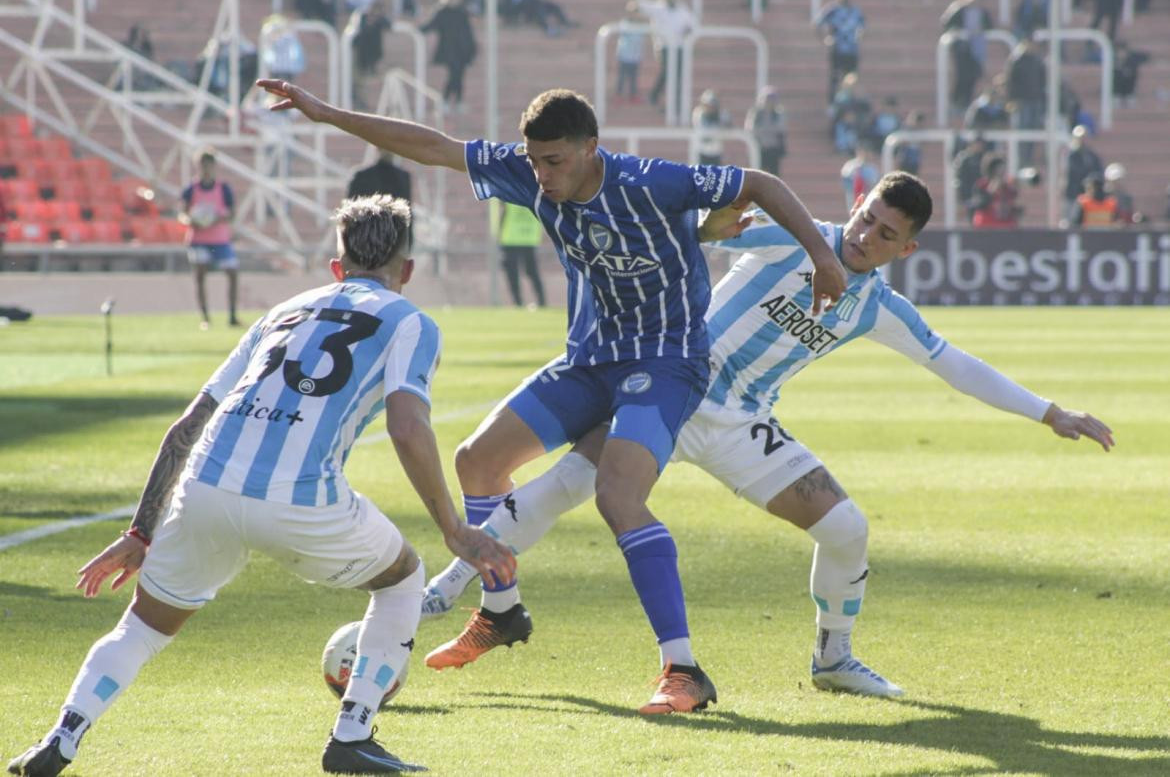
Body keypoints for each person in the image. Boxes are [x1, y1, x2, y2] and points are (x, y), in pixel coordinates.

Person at [253, 77, 847, 715]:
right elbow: (432, 147)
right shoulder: (526, 173)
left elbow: (759, 182)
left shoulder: (653, 180)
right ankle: (502, 613)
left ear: (591, 147)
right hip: (589, 360)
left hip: (666, 360)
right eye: (533, 159)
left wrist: (821, 254)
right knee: (477, 460)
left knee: (617, 497)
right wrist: (324, 113)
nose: (540, 175)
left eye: (554, 161)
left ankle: (684, 670)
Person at [417, 172, 1114, 699]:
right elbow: (690, 234)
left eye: (882, 233)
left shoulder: (879, 306)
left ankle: (833, 659)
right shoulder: (792, 232)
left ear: (906, 248)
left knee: (846, 529)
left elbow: (954, 365)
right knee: (565, 488)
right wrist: (708, 224)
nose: (863, 235)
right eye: (866, 216)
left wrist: (1050, 412)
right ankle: (444, 595)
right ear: (860, 201)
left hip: (742, 421)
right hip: (668, 388)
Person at [5, 195, 517, 777]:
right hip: (301, 499)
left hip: (204, 488)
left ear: (336, 266)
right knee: (402, 579)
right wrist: (454, 529)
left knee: (141, 629)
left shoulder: (282, 311)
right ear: (407, 271)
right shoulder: (412, 322)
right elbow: (407, 424)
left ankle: (61, 739)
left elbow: (187, 426)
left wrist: (140, 532)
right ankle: (351, 737)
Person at [180, 149, 239, 330]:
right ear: (198, 167)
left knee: (232, 273)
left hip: (220, 240)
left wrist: (216, 219)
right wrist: (190, 220)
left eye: (209, 165)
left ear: (214, 166)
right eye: (202, 165)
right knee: (200, 276)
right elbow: (182, 213)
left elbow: (232, 214)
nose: (206, 169)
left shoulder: (223, 188)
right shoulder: (191, 189)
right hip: (198, 240)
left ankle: (232, 316)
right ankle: (205, 318)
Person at [635, 0, 694, 114]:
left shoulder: (682, 9)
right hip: (664, 47)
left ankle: (673, 104)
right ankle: (655, 95)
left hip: (680, 47)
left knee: (677, 77)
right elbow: (640, 5)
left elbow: (692, 25)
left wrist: (687, 31)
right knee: (669, 72)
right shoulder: (658, 8)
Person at [420, 0, 477, 112]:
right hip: (449, 51)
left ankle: (458, 101)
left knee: (459, 76)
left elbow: (468, 32)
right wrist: (417, 29)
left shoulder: (462, 12)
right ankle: (446, 100)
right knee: (454, 75)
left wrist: (472, 48)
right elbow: (431, 25)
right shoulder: (442, 12)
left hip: (462, 51)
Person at [941, 0, 994, 118]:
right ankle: (956, 103)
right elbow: (947, 24)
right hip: (963, 50)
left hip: (976, 50)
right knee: (962, 77)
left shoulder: (982, 11)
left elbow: (990, 26)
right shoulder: (958, 9)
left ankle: (966, 104)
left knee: (974, 76)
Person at [816, 0, 865, 104]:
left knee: (851, 79)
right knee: (835, 78)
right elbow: (818, 23)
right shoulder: (832, 10)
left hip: (852, 50)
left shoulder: (855, 11)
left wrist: (859, 37)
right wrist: (825, 39)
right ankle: (833, 105)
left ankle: (850, 102)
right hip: (838, 50)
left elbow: (863, 27)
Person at [1005, 37, 1045, 165]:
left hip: (1035, 100)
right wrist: (1011, 100)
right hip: (1021, 102)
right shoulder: (1017, 61)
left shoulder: (1037, 61)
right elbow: (1011, 82)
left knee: (1032, 130)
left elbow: (1043, 80)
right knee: (1022, 130)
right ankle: (1021, 160)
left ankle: (1028, 158)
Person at [498, 202, 546, 307]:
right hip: (529, 237)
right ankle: (542, 302)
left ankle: (518, 302)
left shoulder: (508, 193)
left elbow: (502, 213)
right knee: (532, 272)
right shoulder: (534, 194)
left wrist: (499, 234)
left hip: (511, 238)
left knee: (513, 274)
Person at [1063, 125, 1103, 222]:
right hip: (1074, 194)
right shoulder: (1072, 156)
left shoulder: (1092, 156)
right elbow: (1074, 173)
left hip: (1089, 196)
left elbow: (1098, 171)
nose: (1082, 140)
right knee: (1071, 219)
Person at [970, 154, 1022, 229]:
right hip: (986, 224)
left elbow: (1014, 204)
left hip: (1006, 225)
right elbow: (979, 204)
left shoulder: (1007, 186)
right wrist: (991, 191)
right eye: (998, 169)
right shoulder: (982, 185)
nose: (1001, 172)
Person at [745, 86, 787, 176]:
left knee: (774, 175)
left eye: (771, 100)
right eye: (767, 100)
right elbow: (750, 129)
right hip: (760, 148)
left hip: (773, 149)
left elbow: (781, 129)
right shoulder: (755, 114)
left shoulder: (778, 114)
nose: (769, 103)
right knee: (758, 174)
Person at [614, 2, 646, 103]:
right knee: (622, 77)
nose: (634, 14)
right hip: (624, 55)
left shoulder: (641, 26)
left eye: (636, 12)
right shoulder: (625, 24)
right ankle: (618, 95)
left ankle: (633, 95)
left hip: (635, 56)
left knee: (633, 78)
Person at [692, 89, 731, 166]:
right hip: (702, 151)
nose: (710, 108)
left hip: (716, 152)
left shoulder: (722, 114)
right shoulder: (699, 114)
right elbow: (702, 129)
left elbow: (728, 125)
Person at [840, 142, 879, 211]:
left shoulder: (871, 168)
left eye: (866, 152)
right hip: (853, 193)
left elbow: (874, 182)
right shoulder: (850, 165)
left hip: (866, 193)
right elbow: (845, 178)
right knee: (853, 209)